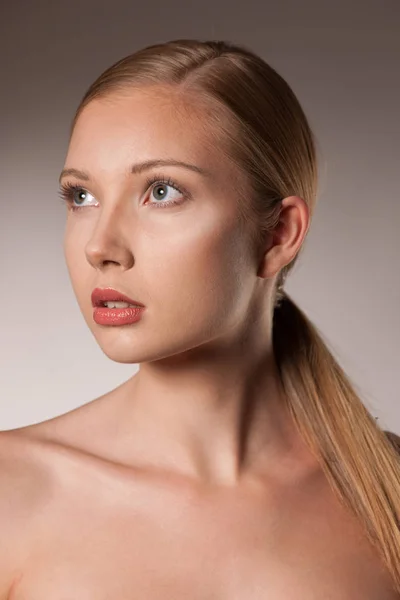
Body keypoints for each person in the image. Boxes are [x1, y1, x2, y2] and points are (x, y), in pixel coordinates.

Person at [1, 38, 399, 598]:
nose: (100, 246)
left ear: (278, 233)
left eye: (161, 191)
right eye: (81, 195)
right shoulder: (10, 494)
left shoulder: (387, 489)